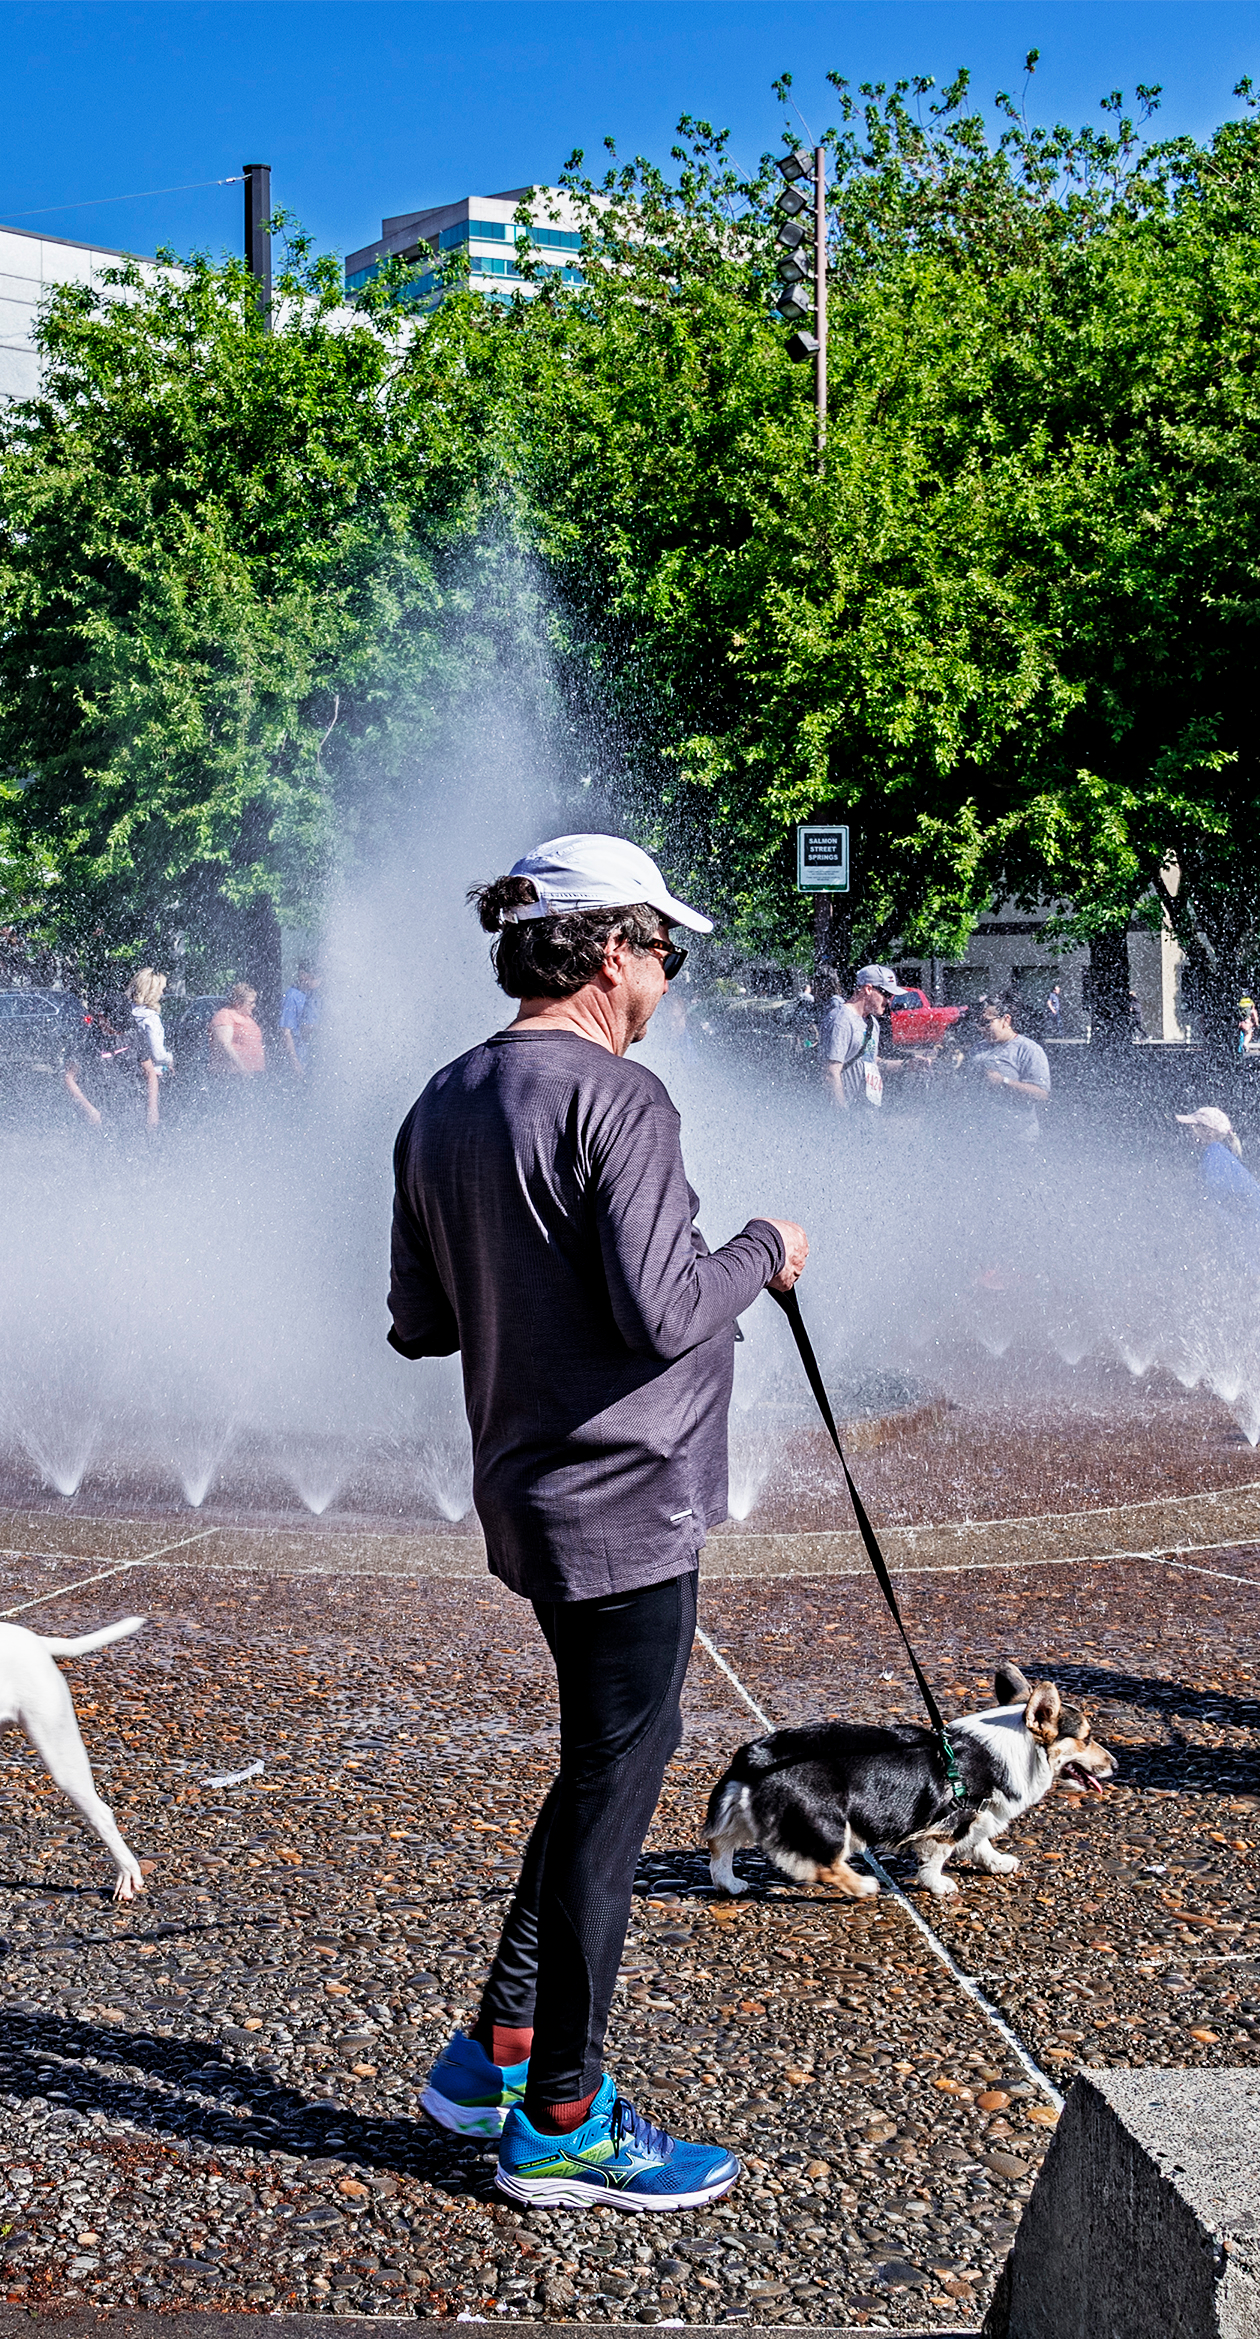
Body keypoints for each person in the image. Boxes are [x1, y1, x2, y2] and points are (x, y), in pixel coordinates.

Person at [388, 833, 807, 2212]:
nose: (670, 980)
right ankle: (561, 2115)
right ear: (613, 950)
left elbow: (420, 1325)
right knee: (618, 1795)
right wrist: (763, 1249)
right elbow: (664, 1309)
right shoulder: (621, 1100)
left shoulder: (444, 1099)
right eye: (665, 952)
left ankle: (493, 2050)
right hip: (628, 1501)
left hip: (529, 1491)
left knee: (599, 1768)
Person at [1177, 1105, 1260, 1284]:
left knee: (1237, 1253)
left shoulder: (1214, 1156)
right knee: (1236, 1253)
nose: (1188, 1131)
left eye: (1193, 1126)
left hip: (1249, 1218)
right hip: (1250, 1215)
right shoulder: (1217, 1154)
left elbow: (1204, 1198)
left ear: (1208, 1132)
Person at [965, 1001, 1052, 1144]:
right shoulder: (977, 1049)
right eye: (978, 1023)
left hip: (1018, 1137)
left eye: (986, 1023)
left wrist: (1004, 1082)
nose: (981, 1028)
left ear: (1006, 1020)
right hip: (980, 1136)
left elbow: (1041, 1094)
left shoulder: (1028, 1050)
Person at [825, 965, 892, 1111]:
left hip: (867, 1115)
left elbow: (870, 1061)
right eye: (886, 994)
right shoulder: (840, 1020)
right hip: (844, 1115)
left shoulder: (872, 1023)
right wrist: (842, 1115)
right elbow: (831, 1073)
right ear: (868, 989)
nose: (889, 1001)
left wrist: (908, 1064)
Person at [124, 966, 173, 1128]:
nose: (162, 994)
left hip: (131, 1071)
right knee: (154, 1123)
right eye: (160, 989)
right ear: (151, 990)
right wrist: (170, 1059)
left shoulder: (128, 1012)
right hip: (154, 1076)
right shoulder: (150, 1018)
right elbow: (158, 1054)